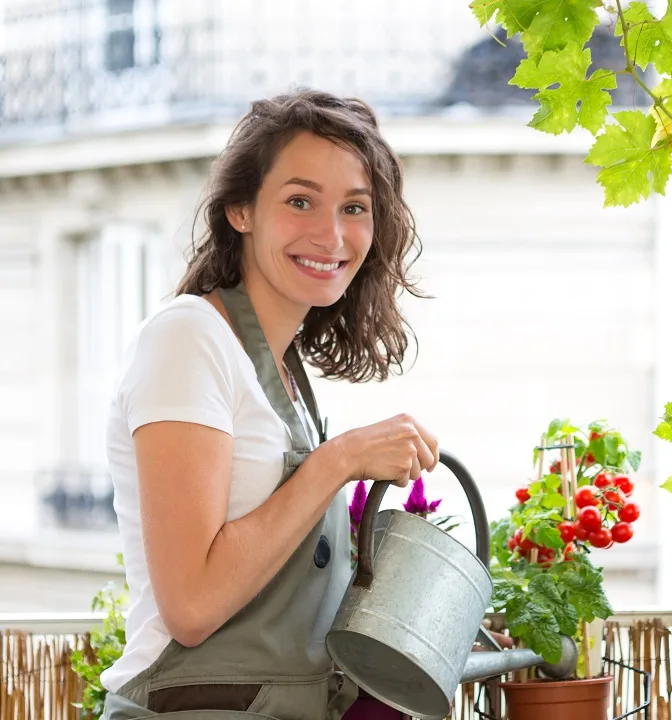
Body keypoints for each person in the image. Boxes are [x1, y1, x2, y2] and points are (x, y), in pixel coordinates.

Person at [100, 89, 453, 719]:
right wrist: (339, 460)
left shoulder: (285, 375)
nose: (332, 234)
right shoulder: (188, 337)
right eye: (299, 201)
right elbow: (191, 606)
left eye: (354, 207)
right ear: (240, 209)